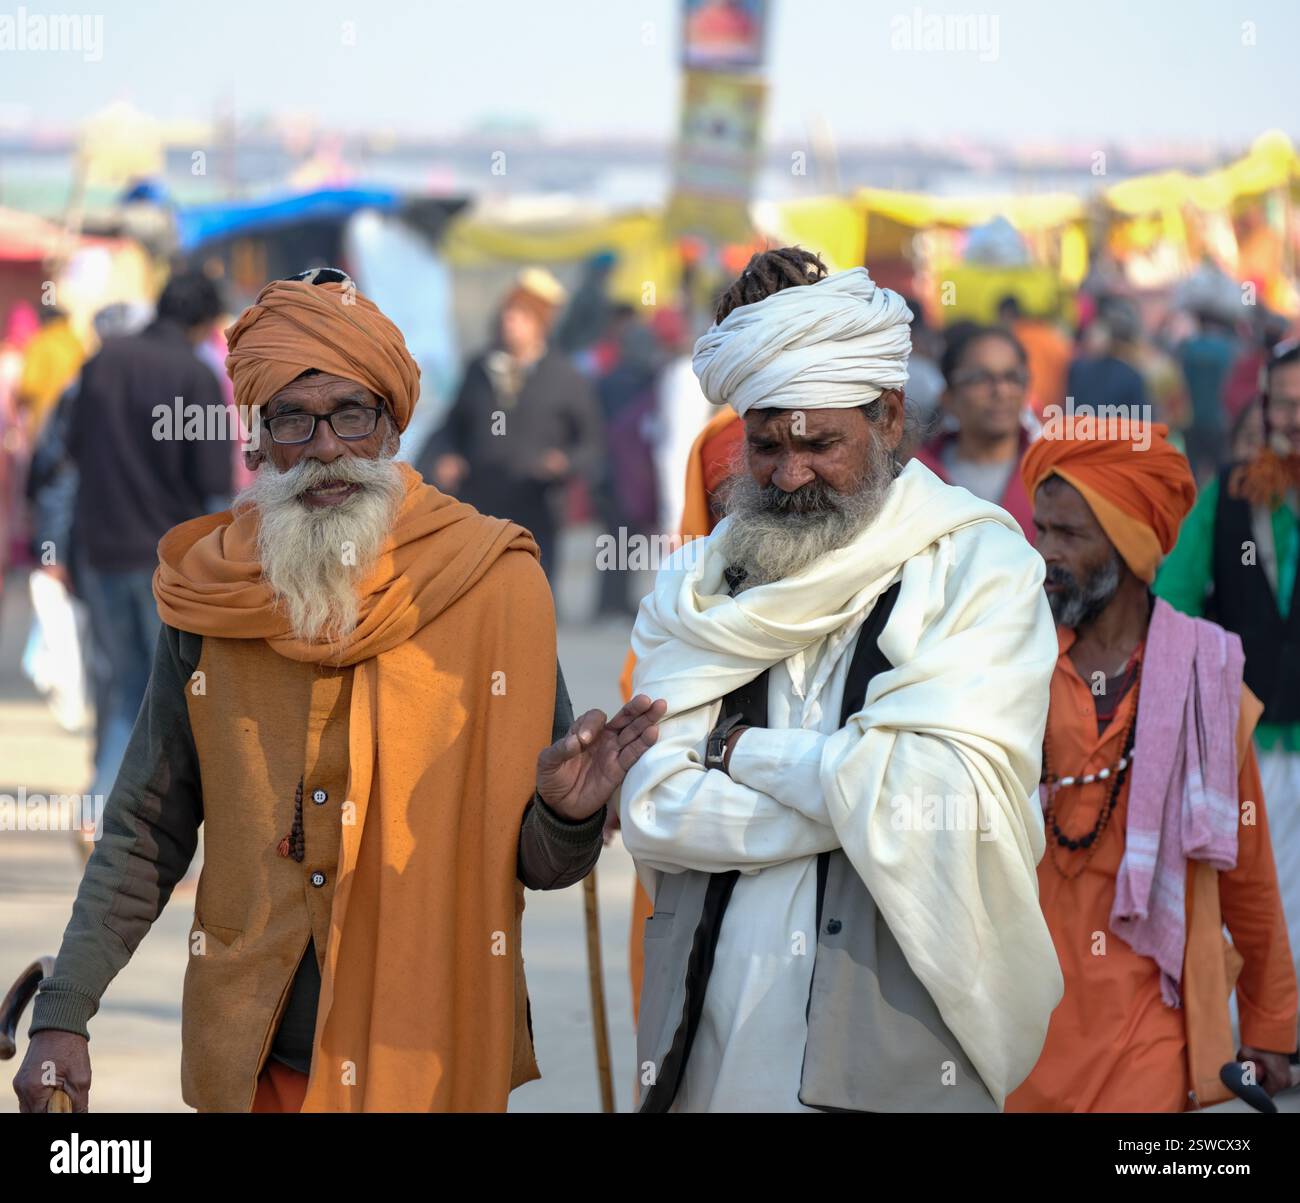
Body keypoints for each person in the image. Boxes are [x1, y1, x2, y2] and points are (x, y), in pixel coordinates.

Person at [13, 268, 666, 1113]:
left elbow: (535, 866)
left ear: (393, 427)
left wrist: (568, 814)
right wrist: (64, 1014)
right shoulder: (210, 594)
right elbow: (147, 824)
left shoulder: (491, 584)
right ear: (256, 441)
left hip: (429, 1062)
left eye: (351, 414)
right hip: (253, 1063)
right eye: (293, 417)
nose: (325, 448)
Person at [620, 246, 1063, 1113]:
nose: (790, 476)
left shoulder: (979, 565)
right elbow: (650, 806)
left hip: (903, 1044)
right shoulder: (700, 582)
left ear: (889, 417)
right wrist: (859, 789)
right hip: (711, 1047)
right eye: (766, 445)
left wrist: (733, 750)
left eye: (821, 443)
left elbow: (947, 802)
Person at [1009, 419, 1297, 1111]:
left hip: (1151, 1026)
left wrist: (1271, 1026)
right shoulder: (1008, 663)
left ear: (1131, 544)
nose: (1044, 552)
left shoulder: (1205, 674)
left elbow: (1248, 874)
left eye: (1068, 534)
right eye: (1041, 530)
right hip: (1014, 1027)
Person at [1154, 339, 1300, 1038]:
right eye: (1285, 403)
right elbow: (1175, 602)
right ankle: (1267, 1039)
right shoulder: (1231, 494)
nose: (1295, 418)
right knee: (1259, 895)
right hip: (1250, 738)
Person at [65, 270, 234, 806]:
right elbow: (214, 487)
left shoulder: (102, 363)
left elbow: (69, 453)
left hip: (100, 550)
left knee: (122, 686)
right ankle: (127, 819)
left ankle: (98, 810)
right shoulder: (196, 376)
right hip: (166, 559)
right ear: (205, 322)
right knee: (164, 695)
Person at [424, 268, 604, 578]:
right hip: (478, 506)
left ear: (540, 324)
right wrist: (446, 456)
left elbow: (592, 444)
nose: (511, 323)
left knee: (530, 597)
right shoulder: (478, 370)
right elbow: (451, 426)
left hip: (537, 508)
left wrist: (565, 463)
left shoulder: (565, 377)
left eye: (521, 316)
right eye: (508, 314)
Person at [913, 323, 1037, 541]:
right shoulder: (918, 480)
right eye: (980, 378)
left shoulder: (1047, 474)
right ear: (948, 397)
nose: (1001, 391)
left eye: (1012, 377)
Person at [1178, 307, 1241, 482]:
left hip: (1192, 418)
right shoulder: (1228, 349)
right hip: (1219, 420)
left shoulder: (1188, 348)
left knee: (1193, 472)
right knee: (1221, 473)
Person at [998, 293, 1070, 416]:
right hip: (1056, 411)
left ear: (1006, 315)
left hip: (1031, 411)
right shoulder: (1052, 336)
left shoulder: (1017, 340)